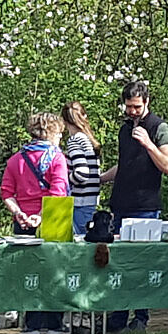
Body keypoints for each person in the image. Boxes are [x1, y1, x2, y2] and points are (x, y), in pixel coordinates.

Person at [99, 80, 168, 334]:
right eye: (128, 106)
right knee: (119, 262)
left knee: (142, 263)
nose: (132, 111)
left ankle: (141, 318)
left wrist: (148, 144)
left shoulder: (158, 127)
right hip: (121, 203)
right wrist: (99, 178)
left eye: (136, 107)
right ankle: (118, 316)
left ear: (147, 102)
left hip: (145, 206)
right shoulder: (124, 129)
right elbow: (124, 165)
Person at [0, 111, 70, 334]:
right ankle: (55, 324)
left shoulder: (16, 159)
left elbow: (6, 193)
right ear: (51, 133)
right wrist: (40, 216)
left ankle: (31, 325)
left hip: (22, 223)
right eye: (59, 134)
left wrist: (20, 213)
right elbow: (58, 192)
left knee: (28, 272)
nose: (60, 138)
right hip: (53, 220)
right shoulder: (57, 158)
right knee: (55, 271)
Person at [61, 101, 101, 236]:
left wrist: (64, 181)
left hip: (79, 203)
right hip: (90, 201)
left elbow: (81, 173)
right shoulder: (88, 140)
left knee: (79, 247)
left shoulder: (74, 141)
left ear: (64, 122)